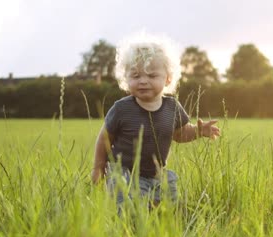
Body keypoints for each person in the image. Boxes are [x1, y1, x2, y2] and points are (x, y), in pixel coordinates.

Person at [91, 33, 220, 209]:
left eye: (151, 76)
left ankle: (162, 214)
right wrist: (98, 168)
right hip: (122, 171)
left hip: (154, 174)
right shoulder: (121, 109)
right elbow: (104, 139)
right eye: (135, 76)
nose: (143, 81)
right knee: (127, 208)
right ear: (126, 79)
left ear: (167, 78)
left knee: (167, 206)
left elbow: (180, 133)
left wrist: (198, 131)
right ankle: (128, 223)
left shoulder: (172, 107)